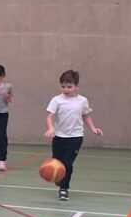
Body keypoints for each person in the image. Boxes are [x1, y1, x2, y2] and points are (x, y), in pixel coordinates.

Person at [44, 69, 102, 201]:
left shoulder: (82, 101)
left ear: (76, 86)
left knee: (67, 163)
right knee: (57, 162)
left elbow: (86, 115)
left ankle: (64, 188)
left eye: (69, 87)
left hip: (75, 137)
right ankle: (59, 178)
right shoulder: (56, 100)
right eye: (63, 86)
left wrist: (93, 128)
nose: (66, 89)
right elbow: (50, 116)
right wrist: (51, 128)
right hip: (59, 137)